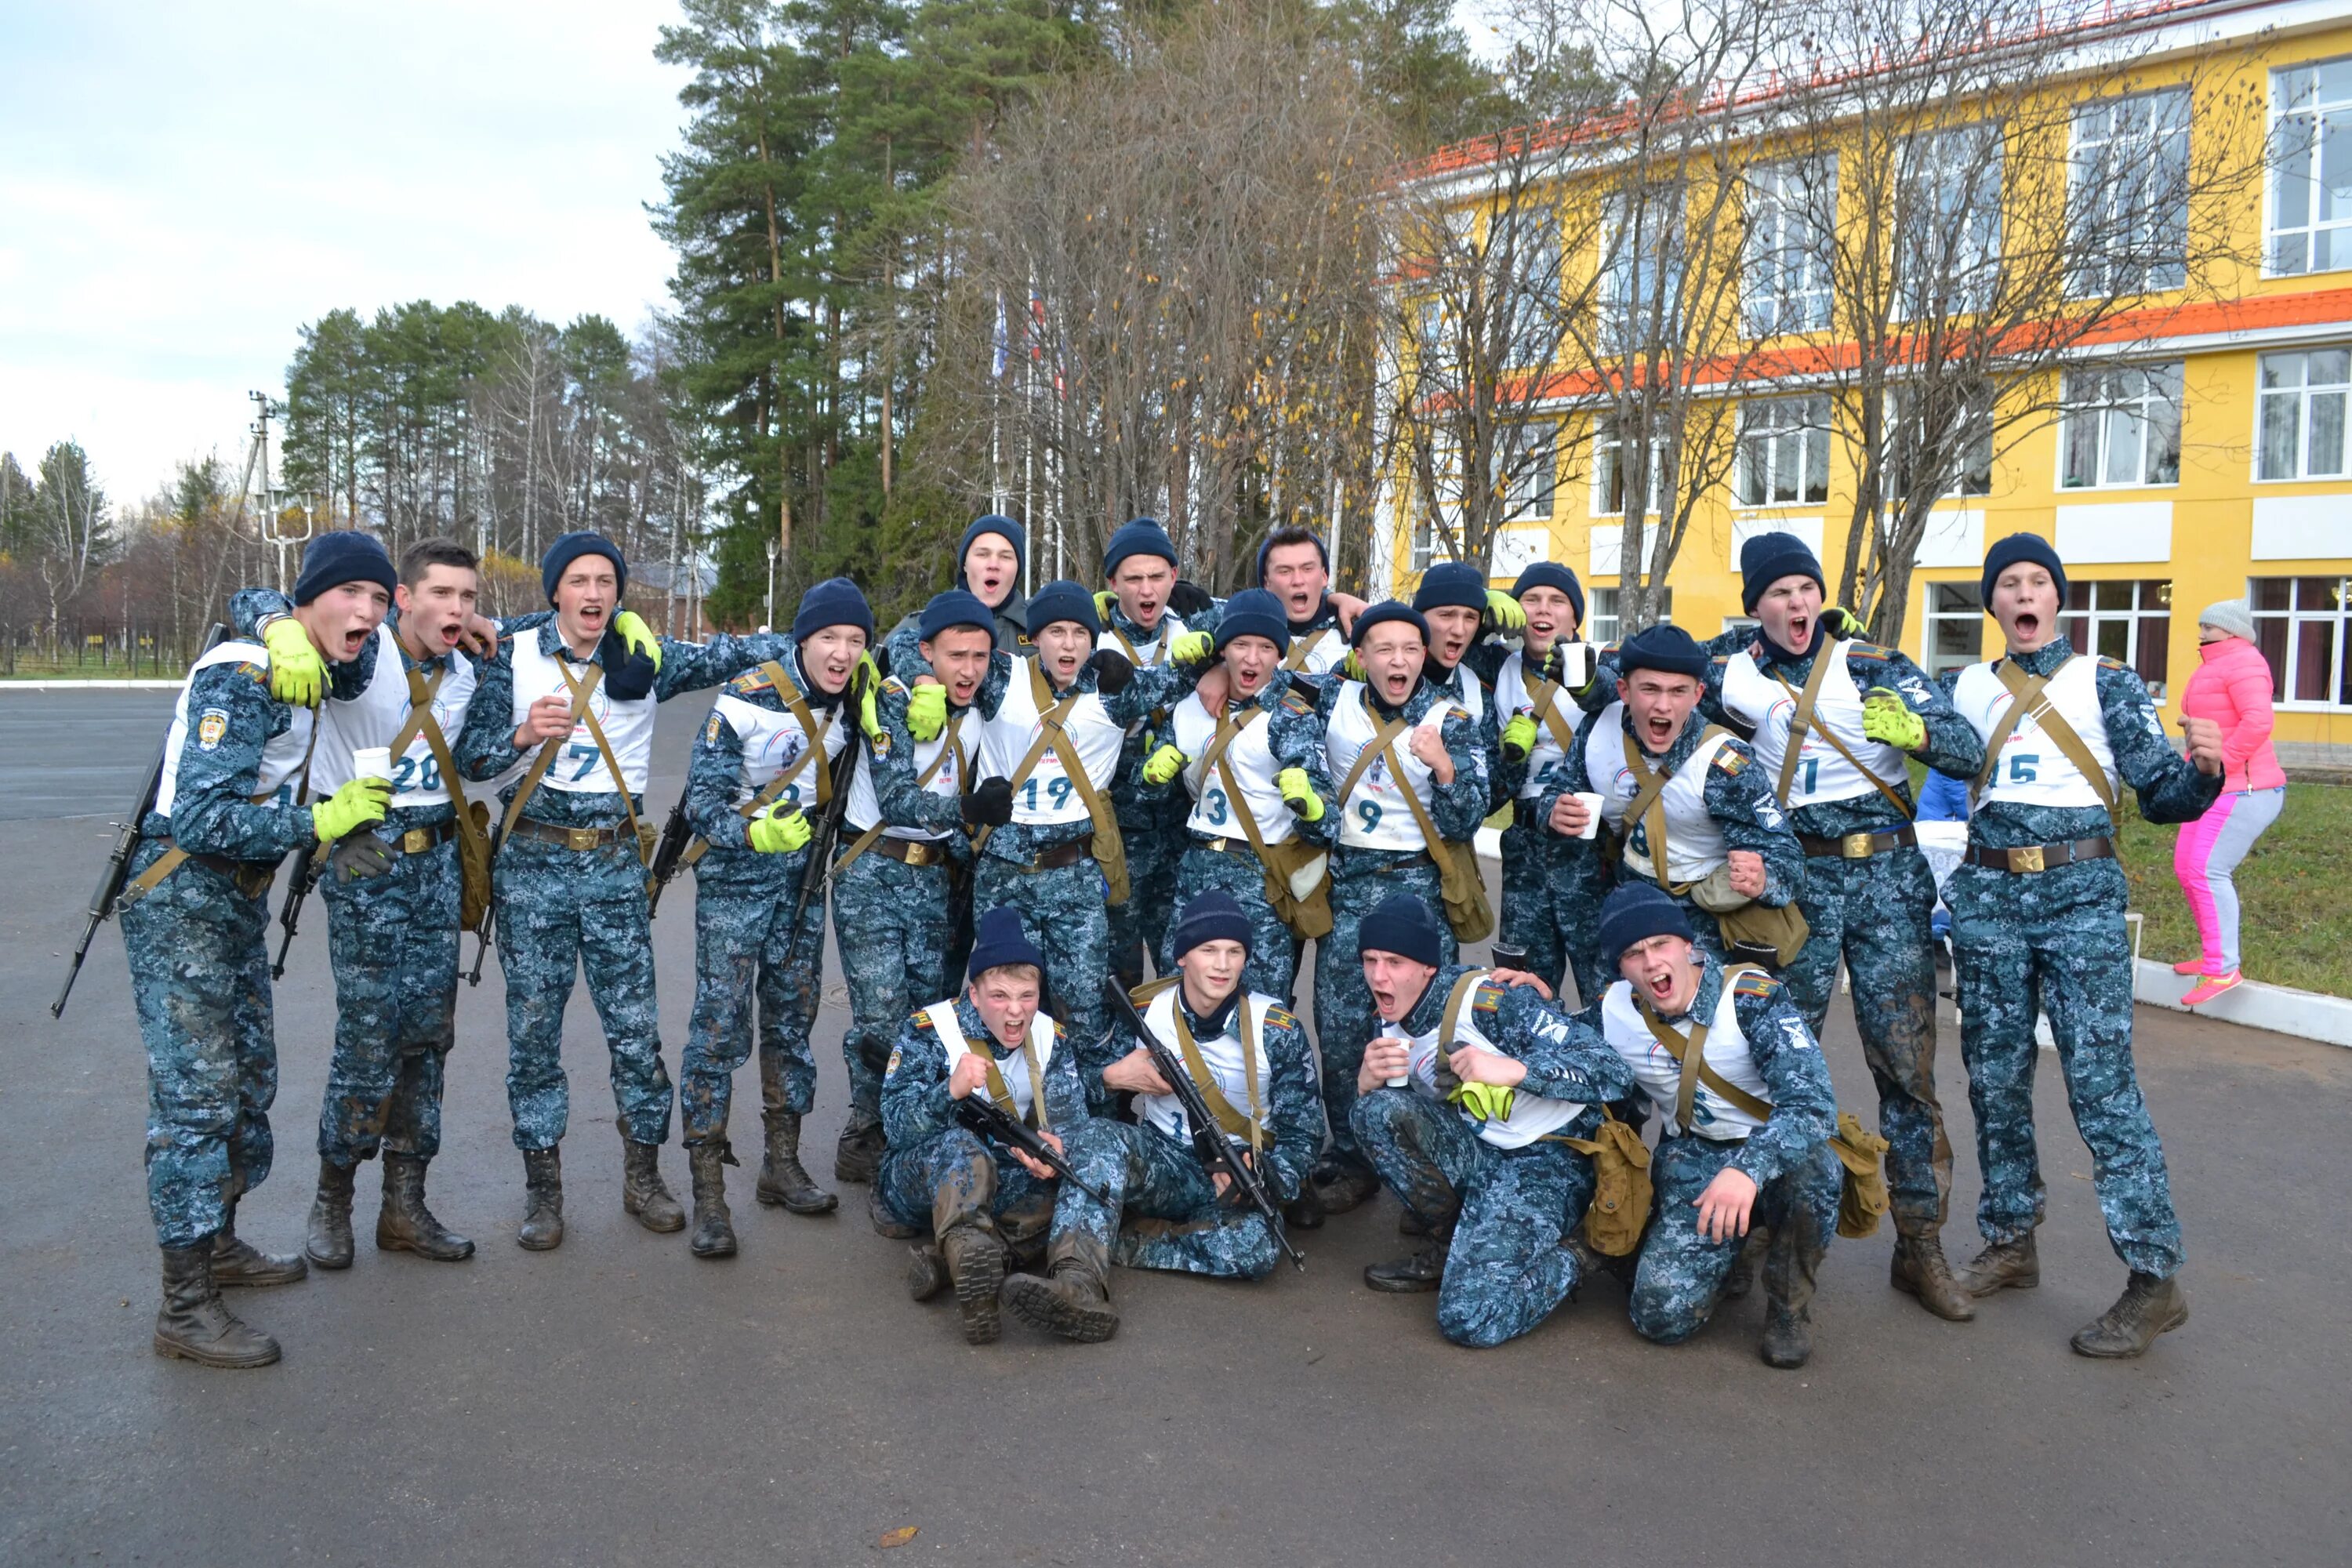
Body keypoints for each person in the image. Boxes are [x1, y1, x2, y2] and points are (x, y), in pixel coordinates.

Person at [453, 531, 791, 1251]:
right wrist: (520, 736)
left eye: (606, 581)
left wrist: (831, 640)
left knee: (636, 1037)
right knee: (534, 1039)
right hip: (532, 866)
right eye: (578, 580)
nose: (594, 594)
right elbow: (470, 759)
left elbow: (735, 654)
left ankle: (644, 1177)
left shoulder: (642, 657)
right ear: (555, 591)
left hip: (612, 869)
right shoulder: (508, 654)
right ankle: (544, 1193)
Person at [1945, 532, 2225, 1356]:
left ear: (2056, 598)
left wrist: (2203, 771)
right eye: (2008, 583)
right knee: (1993, 1078)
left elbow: (2161, 794)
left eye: (2038, 581)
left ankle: (2153, 1276)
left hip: (2080, 899)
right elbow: (1932, 765)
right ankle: (2010, 1238)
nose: (2024, 594)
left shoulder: (2106, 680)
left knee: (2102, 1088)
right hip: (1990, 893)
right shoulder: (1968, 684)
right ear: (1994, 603)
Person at [125, 531, 400, 1367]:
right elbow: (206, 817)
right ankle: (183, 1303)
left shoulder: (315, 663)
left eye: (379, 598)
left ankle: (219, 1244)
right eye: (350, 593)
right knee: (197, 1103)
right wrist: (318, 822)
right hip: (181, 895)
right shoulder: (243, 676)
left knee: (249, 1080)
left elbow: (366, 652)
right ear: (307, 600)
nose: (367, 612)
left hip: (232, 900)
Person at [1705, 532, 1986, 1321]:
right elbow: (1637, 678)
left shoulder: (1875, 663)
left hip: (1888, 880)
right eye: (1780, 592)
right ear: (1755, 603)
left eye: (1806, 589)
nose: (1797, 604)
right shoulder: (1729, 667)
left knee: (1907, 1070)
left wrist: (1916, 734)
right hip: (1794, 883)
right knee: (1770, 1068)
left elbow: (1967, 749)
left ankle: (1920, 1243)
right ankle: (1755, 1232)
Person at [236, 538, 493, 1272]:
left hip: (440, 862)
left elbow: (561, 622)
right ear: (401, 598)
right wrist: (276, 626)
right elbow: (260, 599)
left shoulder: (470, 660)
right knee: (368, 1040)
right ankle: (334, 1197)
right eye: (439, 594)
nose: (456, 608)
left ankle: (404, 1207)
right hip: (367, 859)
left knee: (429, 1040)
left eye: (468, 597)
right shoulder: (361, 649)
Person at [1002, 893, 1319, 1341]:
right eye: (1209, 950)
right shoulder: (1148, 1014)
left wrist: (1263, 1172)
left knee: (1256, 1250)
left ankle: (1114, 1237)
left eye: (1235, 952)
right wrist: (1114, 1076)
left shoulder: (1276, 1030)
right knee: (1097, 1139)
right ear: (1182, 956)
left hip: (1233, 1174)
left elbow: (1304, 1136)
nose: (1222, 965)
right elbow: (1071, 1086)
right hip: (1161, 1161)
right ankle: (1077, 1285)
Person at [673, 578, 876, 1257]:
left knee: (793, 1024)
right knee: (717, 1035)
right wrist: (752, 834)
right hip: (736, 884)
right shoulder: (746, 699)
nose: (842, 653)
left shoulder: (859, 698)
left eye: (854, 641)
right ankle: (708, 1194)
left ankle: (780, 1166)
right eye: (829, 638)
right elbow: (699, 802)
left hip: (802, 884)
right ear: (803, 640)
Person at [1348, 894, 1635, 1348]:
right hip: (1484, 1146)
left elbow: (1612, 1070)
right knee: (1371, 1112)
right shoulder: (1388, 1013)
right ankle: (1449, 1243)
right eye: (1370, 960)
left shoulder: (1492, 1003)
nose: (1379, 976)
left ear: (1427, 967)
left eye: (1395, 962)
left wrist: (1516, 1070)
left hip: (1549, 1156)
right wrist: (1366, 1083)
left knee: (1470, 1319)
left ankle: (1584, 1251)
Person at [960, 579, 1206, 1101]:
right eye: (1055, 632)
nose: (1067, 645)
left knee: (1085, 1010)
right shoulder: (1004, 677)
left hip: (1074, 876)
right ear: (1035, 638)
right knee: (1006, 1006)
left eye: (1079, 634)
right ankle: (1002, 1116)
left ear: (1093, 642)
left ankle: (1098, 1128)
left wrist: (1200, 617)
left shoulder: (1116, 691)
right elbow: (948, 655)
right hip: (1007, 873)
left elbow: (1203, 664)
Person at [1581, 884, 1842, 1369]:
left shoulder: (1750, 998)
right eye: (1634, 954)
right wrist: (1513, 993)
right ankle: (1730, 1254)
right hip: (1694, 1157)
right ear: (1620, 968)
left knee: (1816, 1171)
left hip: (1775, 1151)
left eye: (1661, 944)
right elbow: (1549, 1039)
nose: (1651, 962)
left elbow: (1812, 1106)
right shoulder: (1611, 1011)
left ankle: (1788, 1307)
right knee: (1659, 1318)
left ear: (1687, 945)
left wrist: (1747, 1170)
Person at [1306, 601, 1490, 1213]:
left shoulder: (1452, 717)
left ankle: (1427, 1174)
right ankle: (1353, 1158)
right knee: (1340, 1029)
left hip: (1419, 889)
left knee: (1427, 1034)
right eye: (1384, 649)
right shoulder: (1328, 703)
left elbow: (1470, 816)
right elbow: (1254, 663)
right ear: (1360, 658)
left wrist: (1442, 765)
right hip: (1352, 882)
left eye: (1411, 649)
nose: (1399, 660)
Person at [873, 908, 1113, 1345]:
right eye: (1000, 996)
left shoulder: (1049, 1038)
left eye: (1027, 995)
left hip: (1002, 1170)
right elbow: (896, 1129)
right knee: (962, 1147)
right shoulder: (931, 1031)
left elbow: (1070, 1123)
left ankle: (961, 1262)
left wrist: (1051, 1150)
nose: (1016, 1012)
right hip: (918, 1177)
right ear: (975, 993)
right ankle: (974, 1276)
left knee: (1077, 1182)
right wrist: (949, 1091)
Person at [829, 590, 993, 1185]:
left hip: (934, 880)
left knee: (929, 1015)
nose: (969, 669)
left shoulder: (979, 703)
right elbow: (897, 798)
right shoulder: (895, 700)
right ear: (927, 653)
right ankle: (866, 1131)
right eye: (955, 655)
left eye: (979, 655)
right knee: (879, 1016)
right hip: (873, 870)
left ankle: (917, 1131)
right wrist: (971, 807)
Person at [1537, 624, 1804, 965]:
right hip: (1628, 909)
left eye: (1678, 692)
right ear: (1624, 690)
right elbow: (1561, 789)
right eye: (1649, 689)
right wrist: (1553, 811)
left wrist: (1764, 877)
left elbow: (1787, 857)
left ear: (1697, 695)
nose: (1663, 706)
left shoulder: (1724, 762)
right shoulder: (1597, 730)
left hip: (1700, 924)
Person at [1145, 589, 1333, 1003]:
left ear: (1280, 655)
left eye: (1266, 647)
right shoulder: (1189, 707)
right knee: (1178, 992)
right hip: (1197, 869)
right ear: (1223, 650)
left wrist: (1311, 805)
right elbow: (1153, 800)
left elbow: (1327, 824)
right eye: (1241, 645)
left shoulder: (1290, 715)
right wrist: (1154, 779)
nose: (1252, 659)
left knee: (1259, 1002)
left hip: (1260, 875)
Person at [1489, 561, 1606, 1003]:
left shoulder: (1602, 667)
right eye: (1531, 599)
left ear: (1575, 618)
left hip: (1590, 851)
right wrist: (1484, 607)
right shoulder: (1497, 667)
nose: (1544, 609)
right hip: (1526, 853)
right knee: (1524, 990)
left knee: (1608, 992)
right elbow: (1435, 633)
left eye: (1558, 601)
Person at [1096, 518, 1200, 989]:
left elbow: (1268, 620)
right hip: (1114, 832)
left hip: (1180, 833)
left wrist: (1343, 601)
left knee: (1180, 970)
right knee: (1115, 974)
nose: (1146, 590)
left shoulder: (1197, 631)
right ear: (1112, 583)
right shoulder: (1090, 638)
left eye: (1157, 577)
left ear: (1174, 578)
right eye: (1133, 579)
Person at [2172, 597, 2284, 1006]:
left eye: (2209, 626)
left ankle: (2224, 969)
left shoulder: (2246, 663)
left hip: (2245, 788)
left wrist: (2221, 766)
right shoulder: (2214, 663)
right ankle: (2213, 956)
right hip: (2212, 786)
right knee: (2188, 868)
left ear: (2232, 630)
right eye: (2201, 624)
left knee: (2207, 869)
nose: (2200, 632)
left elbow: (2259, 722)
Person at [1257, 525, 1353, 677]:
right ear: (1266, 583)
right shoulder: (1242, 633)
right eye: (1285, 571)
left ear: (1324, 577)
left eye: (1307, 569)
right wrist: (1221, 669)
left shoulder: (1357, 634)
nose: (1298, 580)